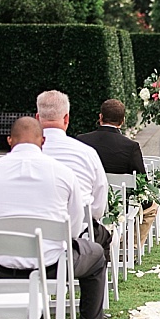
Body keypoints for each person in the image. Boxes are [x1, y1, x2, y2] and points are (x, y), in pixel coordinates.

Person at [0, 117, 110, 319]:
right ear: (43, 141)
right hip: (52, 266)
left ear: (9, 141)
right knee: (96, 254)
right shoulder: (63, 173)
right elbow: (75, 228)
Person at [36, 90, 111, 259]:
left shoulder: (19, 158)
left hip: (27, 236)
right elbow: (99, 203)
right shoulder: (86, 153)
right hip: (76, 234)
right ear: (66, 118)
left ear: (37, 118)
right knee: (99, 250)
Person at [77, 99, 159, 248]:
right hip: (122, 206)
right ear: (122, 121)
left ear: (100, 117)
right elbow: (142, 180)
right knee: (152, 207)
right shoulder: (130, 146)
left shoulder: (82, 141)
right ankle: (130, 247)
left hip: (87, 202)